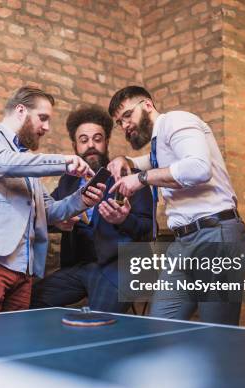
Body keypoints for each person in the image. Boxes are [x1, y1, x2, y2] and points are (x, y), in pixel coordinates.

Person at [0, 87, 105, 316]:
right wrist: (64, 162)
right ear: (20, 110)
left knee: (16, 346)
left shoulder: (27, 163)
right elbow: (4, 163)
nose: (46, 128)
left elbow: (50, 209)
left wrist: (82, 199)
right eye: (43, 118)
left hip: (23, 272)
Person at [107, 85, 245, 325]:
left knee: (216, 335)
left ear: (147, 105)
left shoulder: (176, 120)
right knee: (159, 328)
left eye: (127, 116)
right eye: (119, 123)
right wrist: (127, 160)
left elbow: (198, 168)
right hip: (184, 243)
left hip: (216, 236)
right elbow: (152, 161)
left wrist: (141, 179)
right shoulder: (159, 142)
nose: (125, 126)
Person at [30, 105, 153, 313]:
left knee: (98, 322)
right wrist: (58, 221)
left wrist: (123, 220)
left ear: (106, 142)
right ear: (75, 146)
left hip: (122, 267)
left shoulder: (128, 175)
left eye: (97, 139)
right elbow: (48, 210)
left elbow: (149, 228)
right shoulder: (68, 181)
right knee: (30, 301)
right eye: (84, 140)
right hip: (79, 267)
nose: (91, 145)